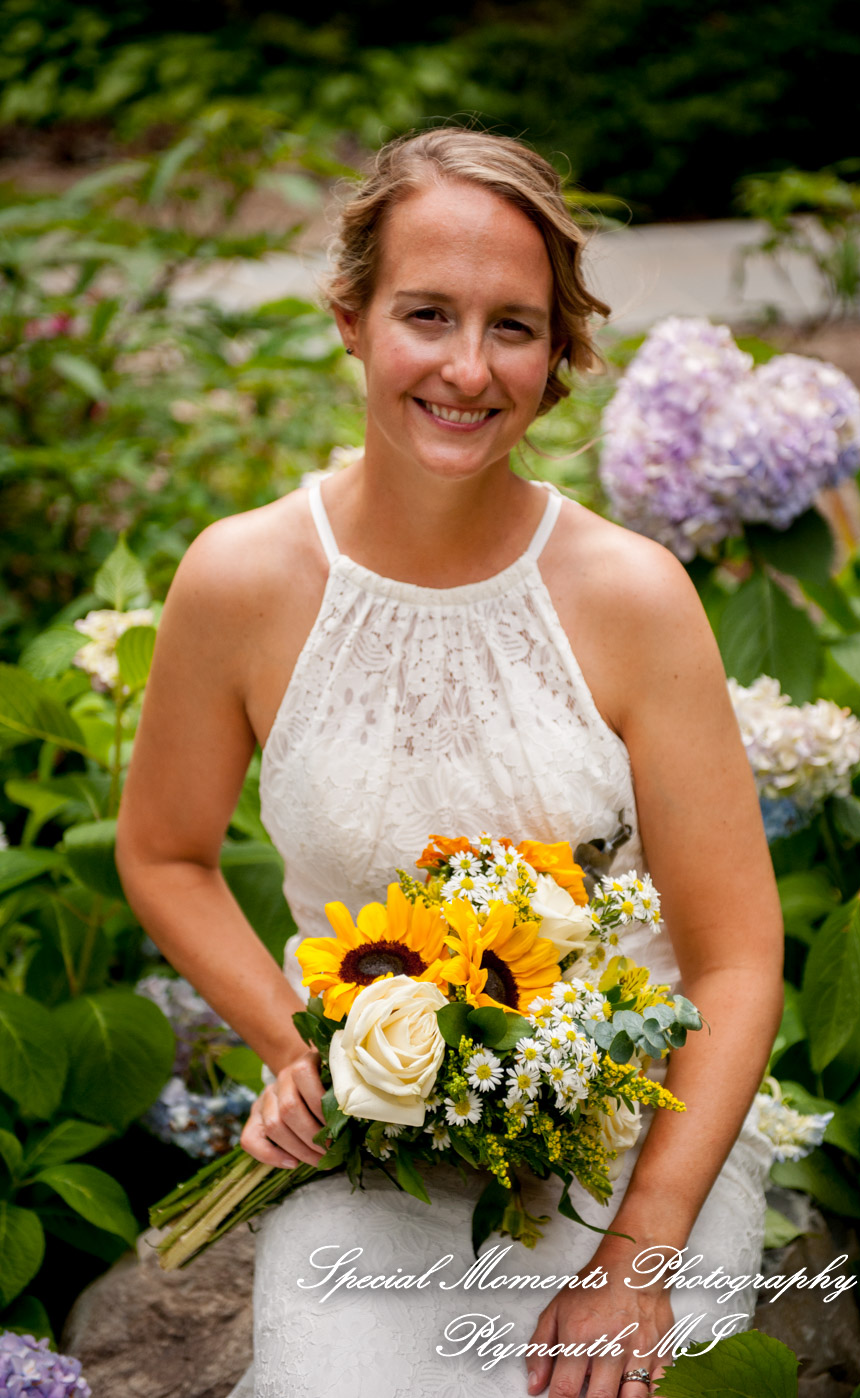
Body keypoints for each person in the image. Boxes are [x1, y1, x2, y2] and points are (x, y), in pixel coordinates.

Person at [116, 127, 783, 1398]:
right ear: (353, 320)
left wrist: (638, 1256)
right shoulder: (240, 581)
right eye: (428, 314)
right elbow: (161, 853)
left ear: (561, 351)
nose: (468, 369)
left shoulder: (635, 599)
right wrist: (297, 1056)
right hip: (382, 1162)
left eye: (514, 327)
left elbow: (740, 956)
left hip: (633, 1155)